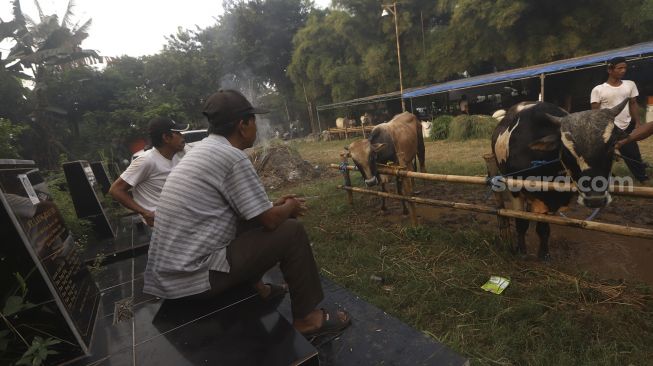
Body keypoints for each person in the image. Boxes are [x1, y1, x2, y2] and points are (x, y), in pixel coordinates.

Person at [143, 89, 351, 339]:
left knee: (255, 223)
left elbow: (250, 211)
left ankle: (259, 288)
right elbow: (271, 220)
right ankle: (307, 320)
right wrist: (290, 206)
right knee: (291, 231)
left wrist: (276, 205)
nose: (256, 126)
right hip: (193, 279)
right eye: (254, 120)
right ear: (243, 125)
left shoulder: (201, 152)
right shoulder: (231, 157)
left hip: (172, 276)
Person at [109, 117, 188, 226]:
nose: (182, 136)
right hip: (162, 226)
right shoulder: (147, 161)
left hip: (180, 220)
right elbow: (116, 190)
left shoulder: (179, 155)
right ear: (166, 138)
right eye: (178, 133)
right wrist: (145, 213)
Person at [591, 56, 648, 183]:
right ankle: (604, 180)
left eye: (625, 68)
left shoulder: (630, 84)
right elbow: (595, 113)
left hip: (626, 126)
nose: (623, 70)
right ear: (610, 70)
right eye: (619, 68)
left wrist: (637, 122)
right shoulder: (598, 90)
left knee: (633, 154)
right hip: (607, 128)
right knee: (605, 156)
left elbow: (633, 104)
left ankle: (642, 178)